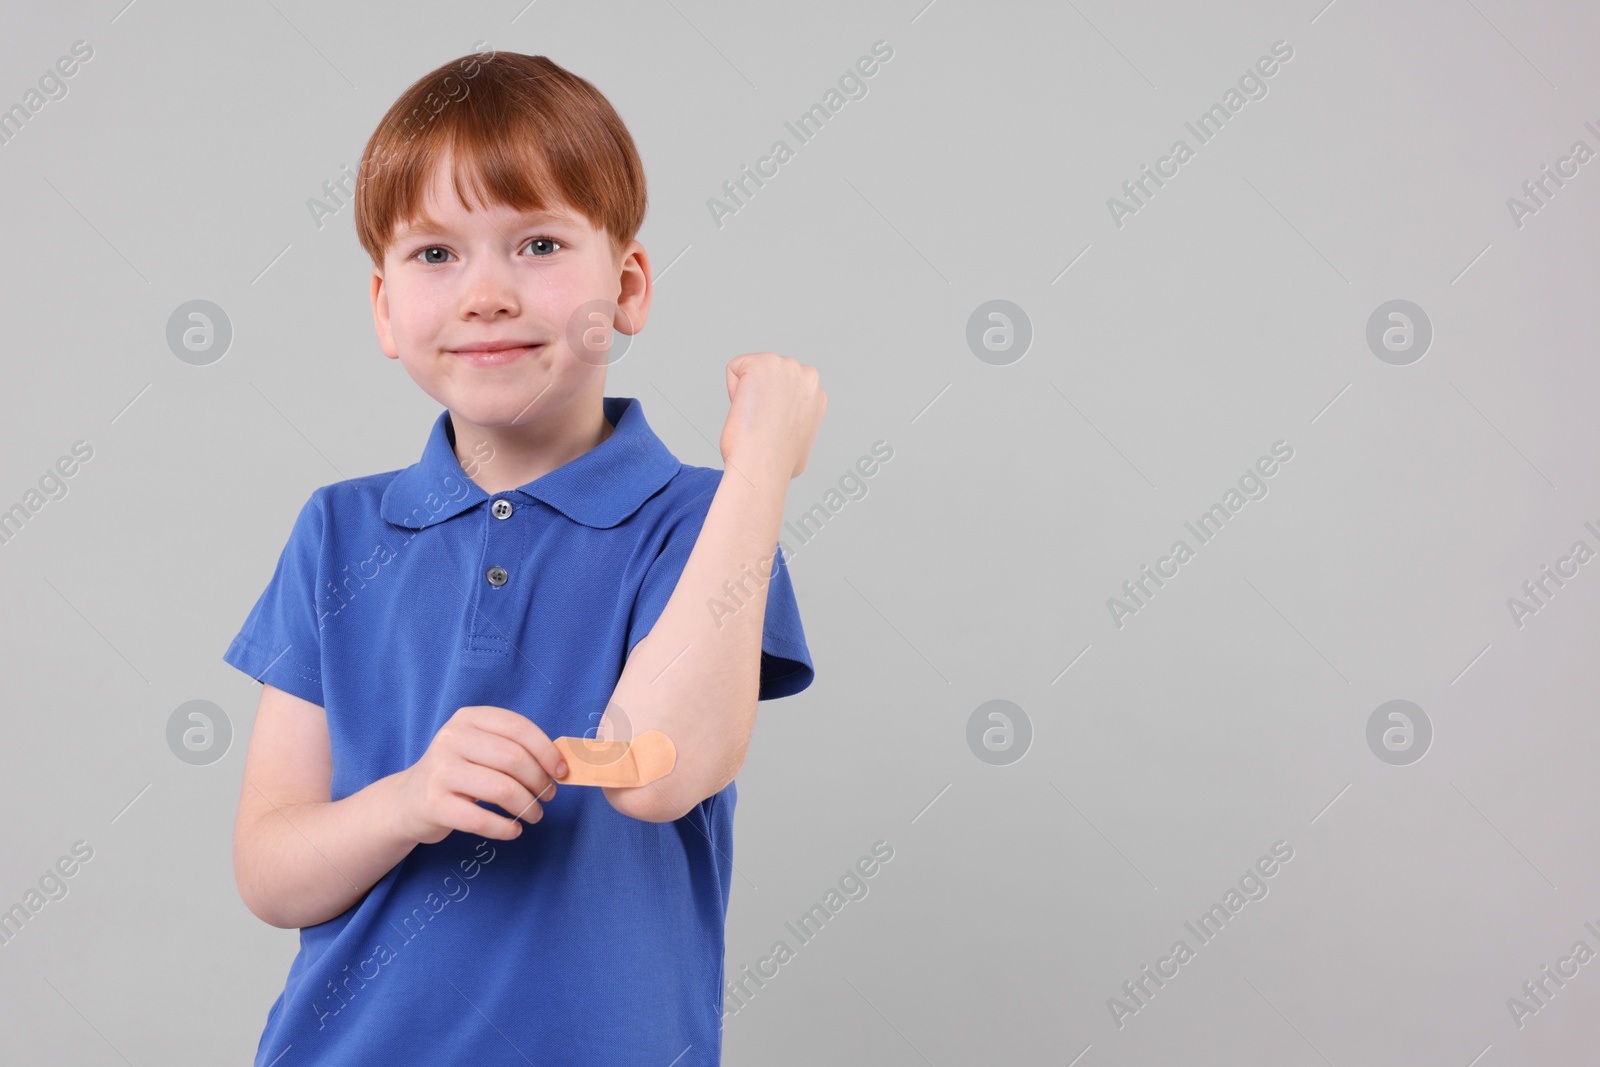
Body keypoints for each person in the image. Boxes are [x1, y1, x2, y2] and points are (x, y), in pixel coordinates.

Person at [224, 47, 825, 1065]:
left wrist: (759, 466)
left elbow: (655, 772)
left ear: (628, 286)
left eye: (537, 243)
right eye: (434, 255)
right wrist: (406, 800)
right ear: (382, 307)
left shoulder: (697, 521)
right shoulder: (336, 530)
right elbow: (272, 871)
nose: (486, 293)